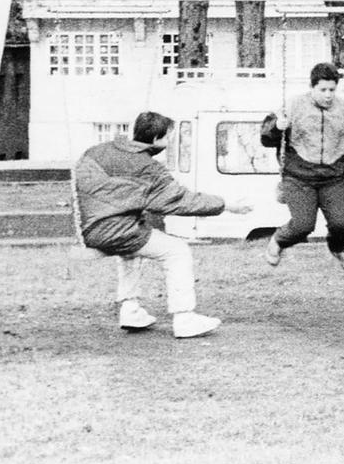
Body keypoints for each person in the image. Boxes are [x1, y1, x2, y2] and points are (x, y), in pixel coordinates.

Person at [74, 111, 248, 339]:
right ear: (156, 139)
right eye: (168, 137)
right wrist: (226, 205)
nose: (169, 142)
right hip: (118, 230)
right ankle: (184, 317)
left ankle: (130, 310)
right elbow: (181, 201)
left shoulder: (96, 151)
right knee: (177, 251)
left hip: (91, 230)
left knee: (131, 252)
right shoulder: (149, 168)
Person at [260, 62, 344, 273]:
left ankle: (339, 249)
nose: (328, 95)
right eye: (322, 90)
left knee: (341, 224)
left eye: (332, 89)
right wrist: (277, 128)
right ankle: (278, 241)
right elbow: (266, 138)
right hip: (298, 176)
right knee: (303, 225)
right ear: (312, 87)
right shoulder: (294, 106)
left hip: (332, 176)